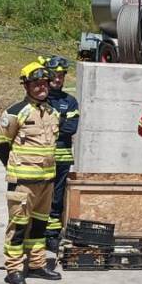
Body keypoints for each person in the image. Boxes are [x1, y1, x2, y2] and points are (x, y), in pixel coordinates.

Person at [0, 62, 62, 284]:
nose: (41, 87)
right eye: (36, 83)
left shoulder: (53, 113)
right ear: (26, 85)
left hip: (46, 181)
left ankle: (36, 264)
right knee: (18, 227)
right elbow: (1, 145)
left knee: (39, 227)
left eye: (44, 83)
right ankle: (13, 269)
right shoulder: (15, 112)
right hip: (23, 182)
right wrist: (16, 169)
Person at [39, 55, 80, 253]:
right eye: (55, 75)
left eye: (61, 76)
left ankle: (52, 235)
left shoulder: (70, 101)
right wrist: (59, 122)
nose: (58, 79)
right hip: (40, 158)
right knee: (39, 196)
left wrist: (51, 123)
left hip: (62, 158)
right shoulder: (39, 99)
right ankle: (37, 232)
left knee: (57, 198)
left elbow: (71, 128)